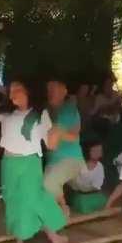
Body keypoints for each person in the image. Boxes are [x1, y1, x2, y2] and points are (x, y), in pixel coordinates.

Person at [0, 73, 67, 243]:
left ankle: (50, 236)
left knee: (33, 199)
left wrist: (57, 131)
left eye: (17, 90)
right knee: (14, 201)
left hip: (30, 163)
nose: (13, 95)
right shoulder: (5, 113)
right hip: (9, 164)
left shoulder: (40, 114)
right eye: (11, 91)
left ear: (28, 92)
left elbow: (51, 144)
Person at [42, 79, 85, 216]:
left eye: (55, 89)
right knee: (45, 183)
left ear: (64, 91)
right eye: (49, 89)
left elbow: (55, 143)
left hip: (71, 159)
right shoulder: (45, 111)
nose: (51, 93)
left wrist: (57, 133)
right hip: (53, 161)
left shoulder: (68, 110)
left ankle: (54, 217)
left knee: (48, 184)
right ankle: (63, 208)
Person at [68, 139, 107, 214]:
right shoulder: (79, 164)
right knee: (83, 206)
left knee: (103, 201)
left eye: (99, 150)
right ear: (88, 151)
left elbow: (97, 185)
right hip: (79, 195)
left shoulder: (100, 166)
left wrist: (90, 188)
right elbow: (72, 182)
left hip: (93, 194)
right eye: (94, 150)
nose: (97, 152)